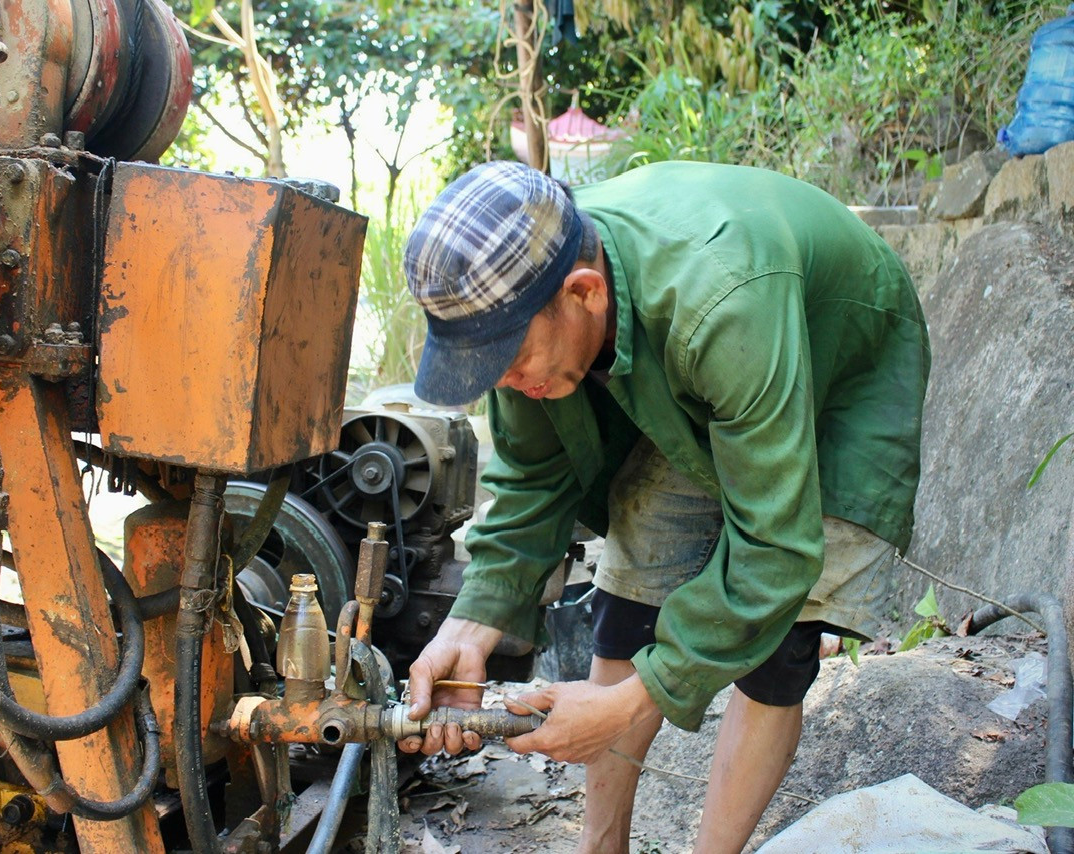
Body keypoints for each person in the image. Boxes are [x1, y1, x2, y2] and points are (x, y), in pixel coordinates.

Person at [397, 159, 930, 853]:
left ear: (583, 293)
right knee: (632, 602)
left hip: (838, 362)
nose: (501, 379)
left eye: (510, 359)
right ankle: (600, 845)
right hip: (703, 358)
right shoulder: (520, 302)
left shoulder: (719, 302)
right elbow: (531, 479)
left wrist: (626, 706)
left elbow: (776, 554)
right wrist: (467, 629)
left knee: (781, 639)